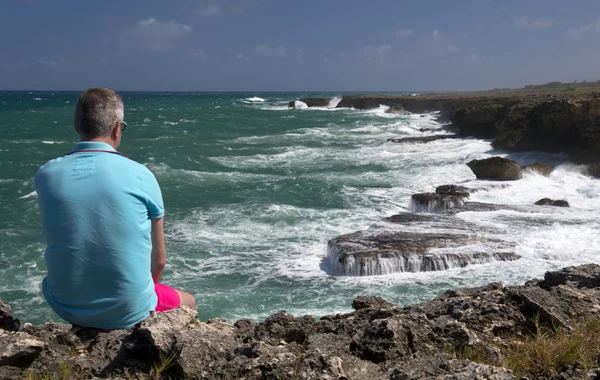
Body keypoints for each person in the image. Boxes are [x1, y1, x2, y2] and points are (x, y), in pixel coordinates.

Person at [34, 88, 195, 330]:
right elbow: (159, 260)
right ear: (117, 128)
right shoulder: (141, 174)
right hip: (127, 310)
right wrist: (137, 296)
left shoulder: (46, 174)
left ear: (77, 126)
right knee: (188, 302)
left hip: (64, 303)